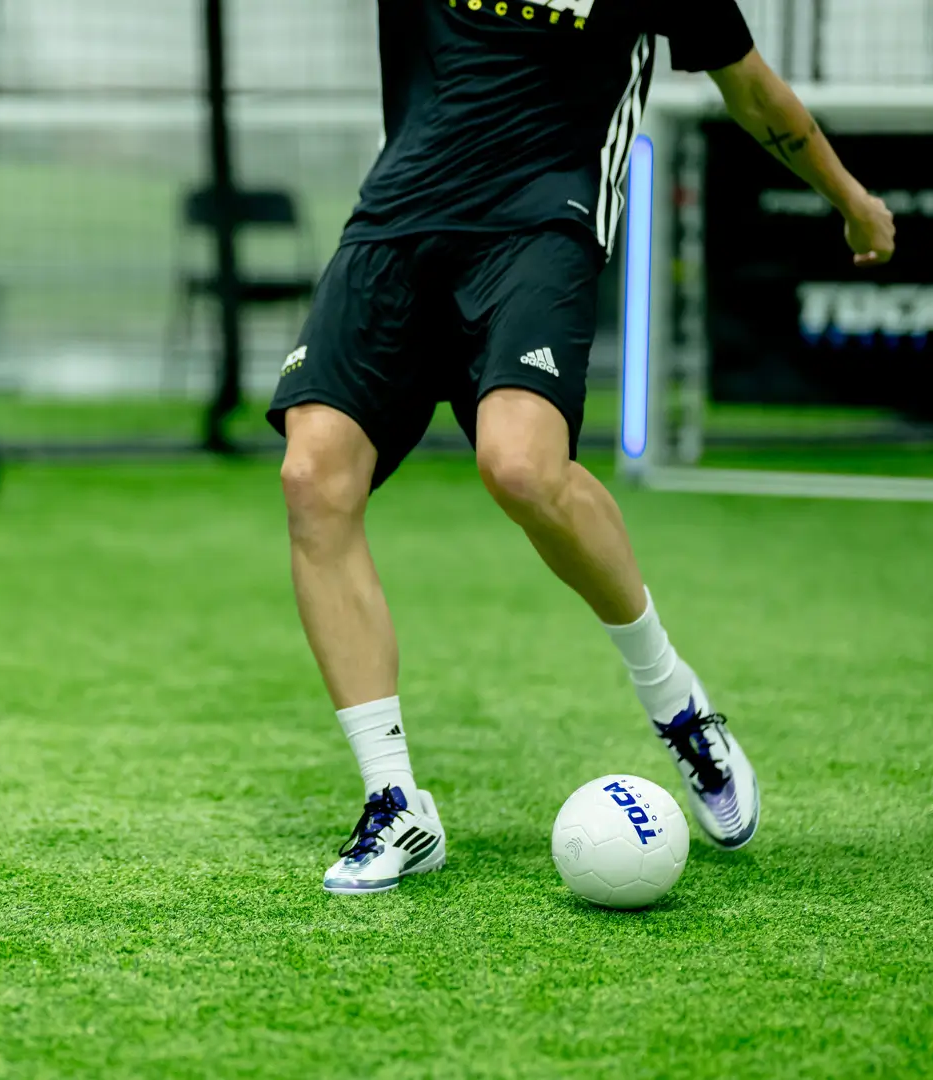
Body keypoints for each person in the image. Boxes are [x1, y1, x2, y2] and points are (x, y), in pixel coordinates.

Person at [269, 0, 896, 894]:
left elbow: (751, 88)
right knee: (311, 478)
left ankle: (677, 705)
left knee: (521, 465)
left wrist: (851, 200)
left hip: (539, 220)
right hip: (397, 221)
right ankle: (396, 802)